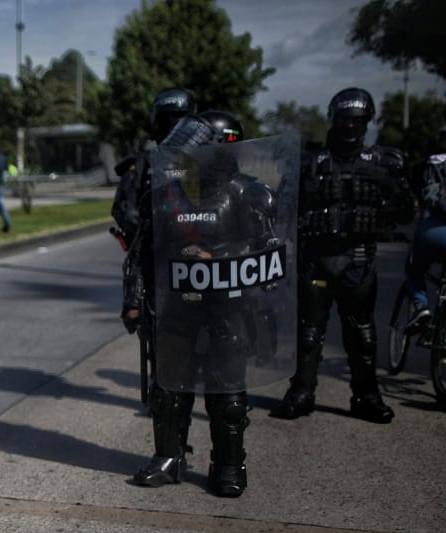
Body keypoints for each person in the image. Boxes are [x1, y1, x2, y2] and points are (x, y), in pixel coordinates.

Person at [123, 112, 283, 497]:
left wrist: (220, 255)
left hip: (228, 309)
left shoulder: (249, 193)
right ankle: (168, 458)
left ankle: (229, 464)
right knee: (168, 390)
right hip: (177, 309)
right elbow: (142, 254)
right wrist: (134, 301)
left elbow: (270, 253)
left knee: (227, 392)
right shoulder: (165, 197)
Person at [271, 86, 414, 423]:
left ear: (366, 122)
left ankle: (366, 396)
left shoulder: (383, 162)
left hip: (357, 260)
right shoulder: (308, 163)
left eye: (357, 120)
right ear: (333, 119)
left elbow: (405, 211)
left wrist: (387, 192)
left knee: (362, 335)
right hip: (316, 259)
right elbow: (282, 206)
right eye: (345, 119)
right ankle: (302, 392)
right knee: (308, 333)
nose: (350, 126)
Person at [111, 88, 197, 250]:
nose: (173, 126)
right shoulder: (142, 165)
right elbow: (125, 210)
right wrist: (147, 231)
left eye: (179, 120)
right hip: (155, 253)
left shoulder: (205, 161)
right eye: (168, 121)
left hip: (200, 250)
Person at [400, 127, 446, 332]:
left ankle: (421, 305)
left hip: (436, 231)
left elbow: (429, 195)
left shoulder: (436, 161)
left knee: (413, 269)